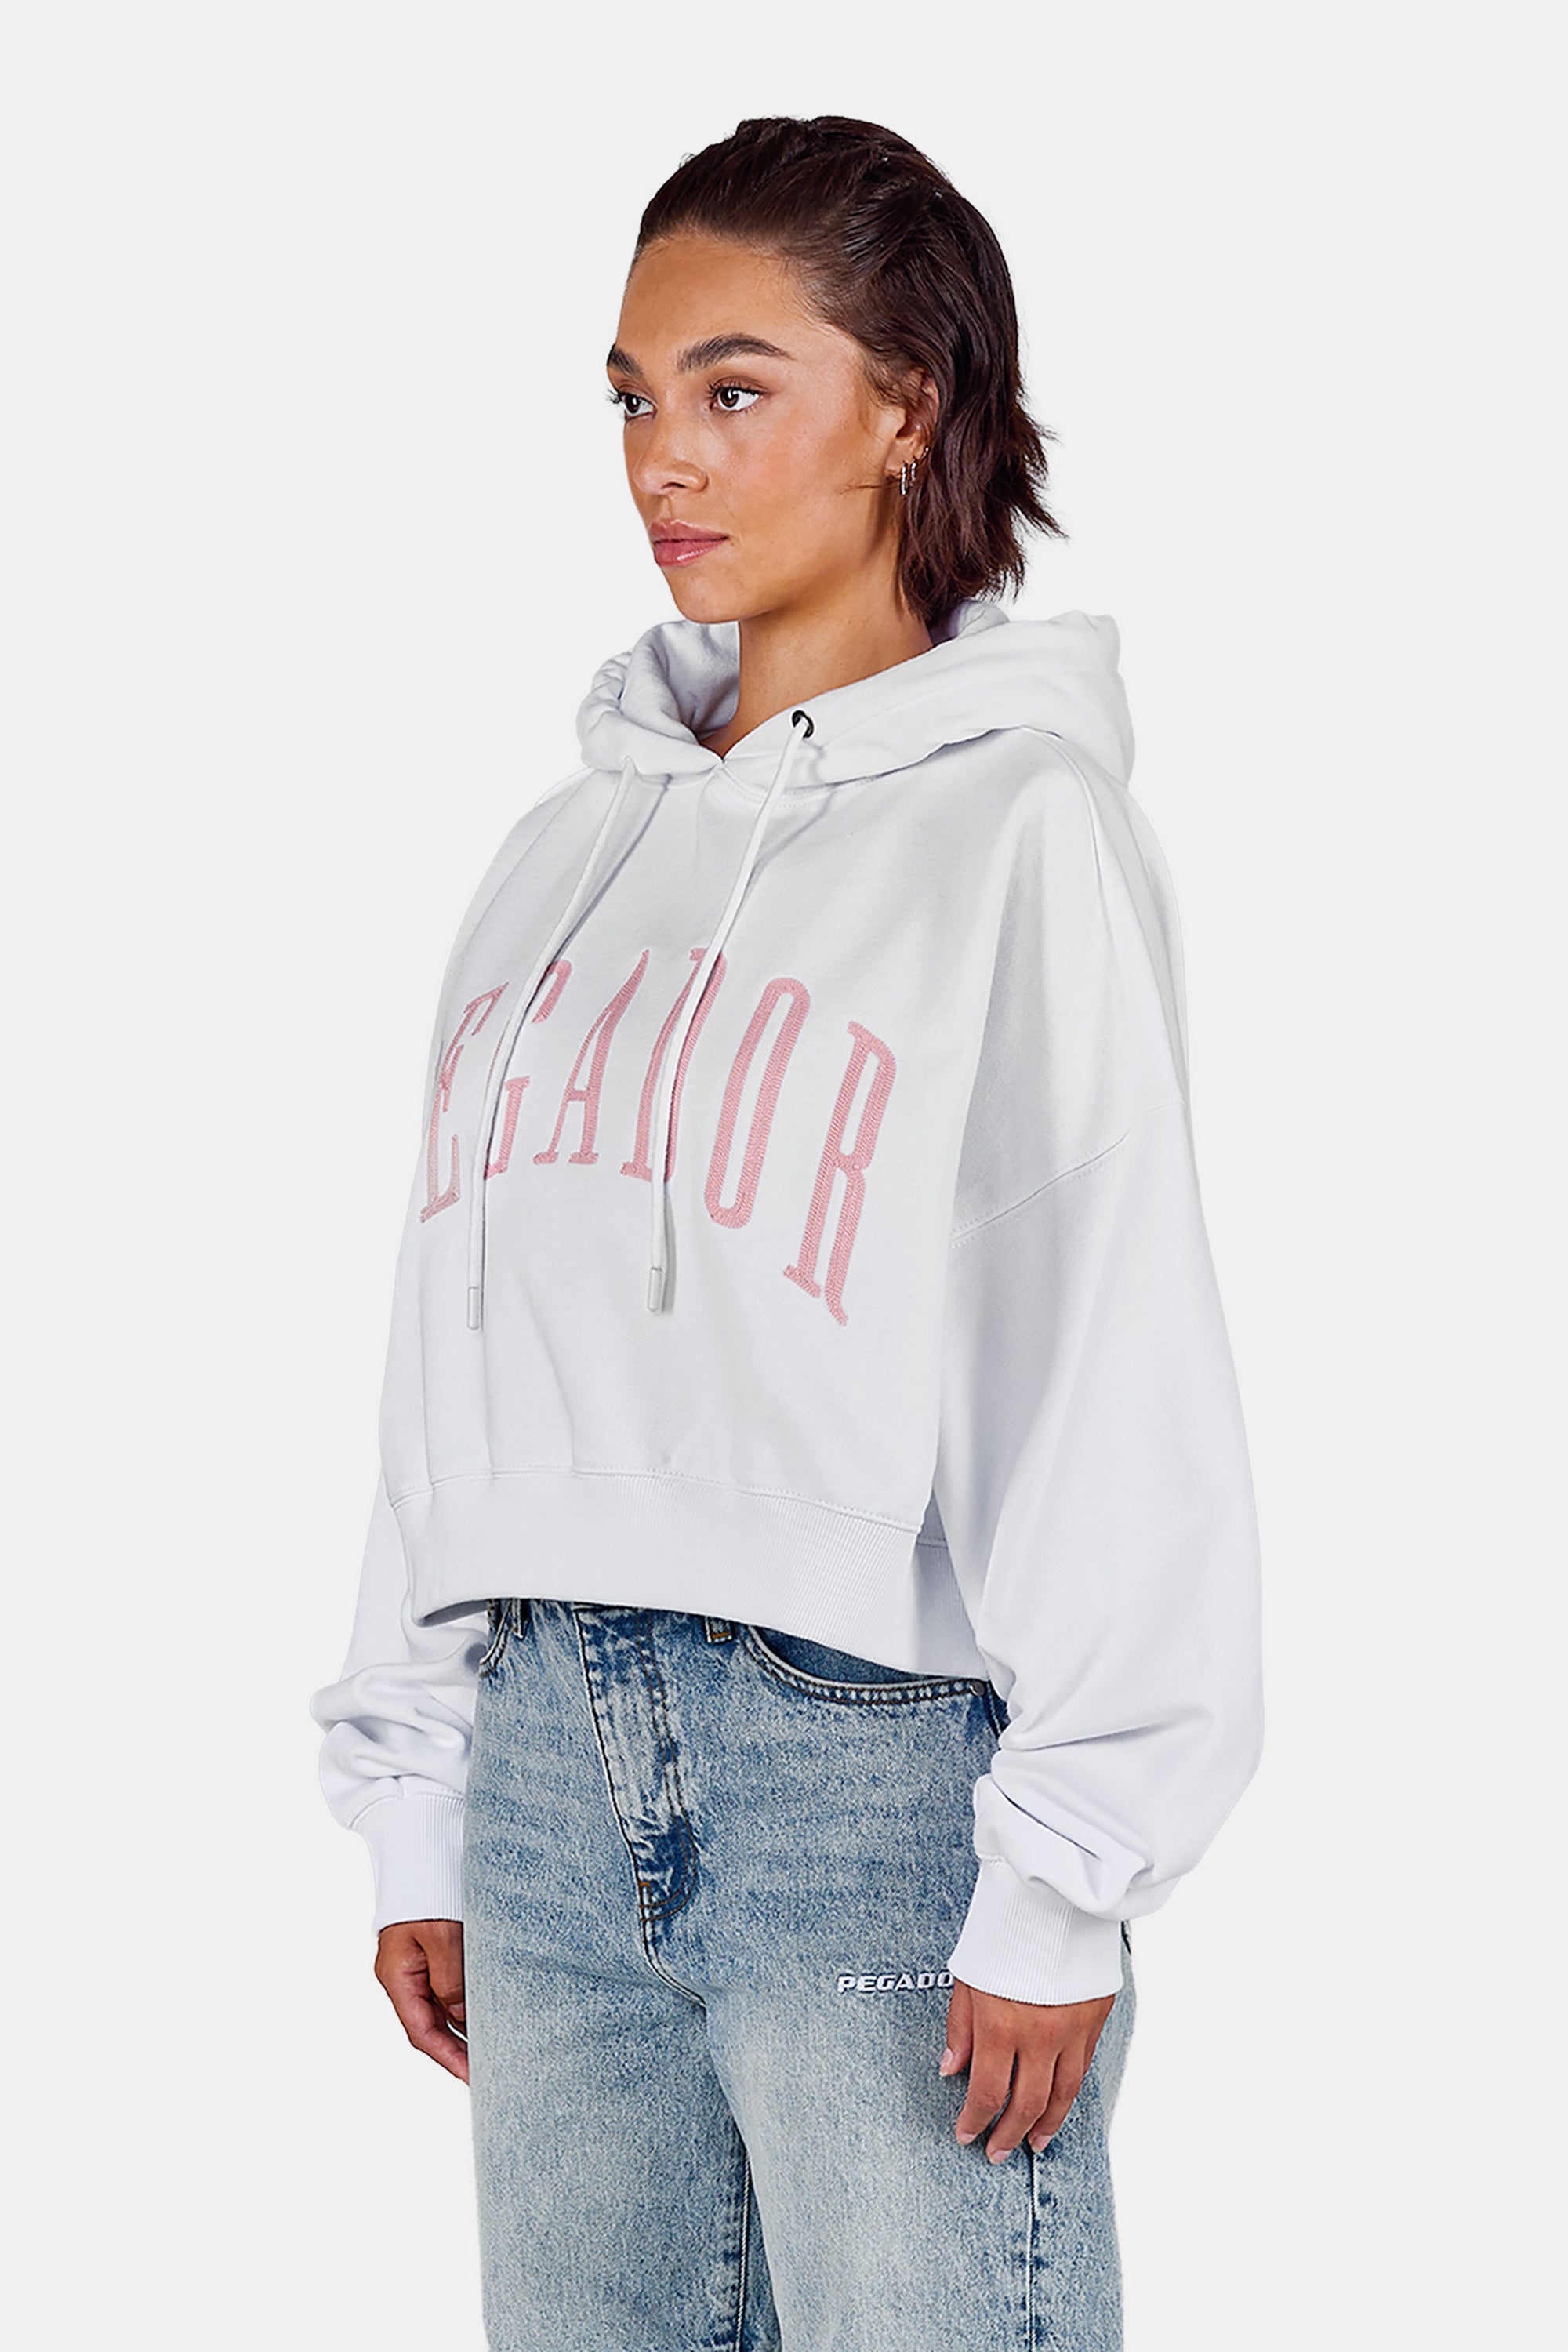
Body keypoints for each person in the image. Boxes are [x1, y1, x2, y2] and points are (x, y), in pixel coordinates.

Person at [309, 113, 1264, 2352]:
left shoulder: (1023, 827)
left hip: (873, 1780)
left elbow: (1100, 1338)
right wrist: (421, 1791)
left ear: (908, 407)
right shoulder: (559, 858)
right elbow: (453, 1330)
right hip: (545, 1769)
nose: (667, 455)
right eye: (634, 395)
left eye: (737, 390)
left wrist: (1069, 1874)